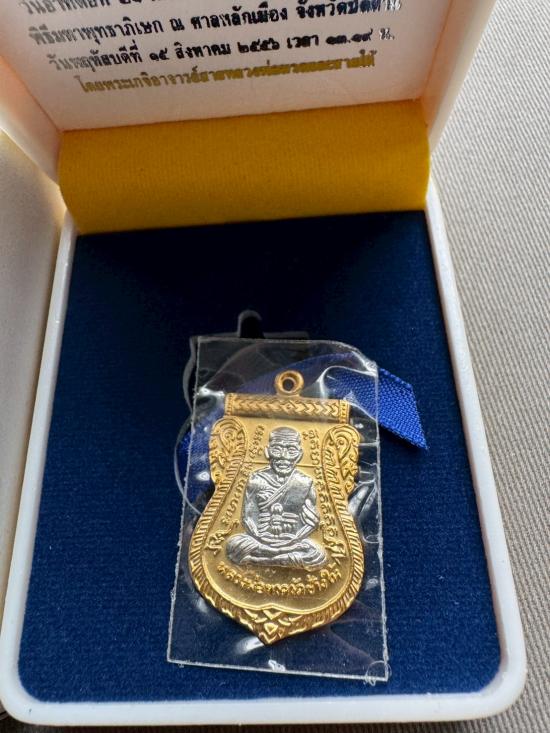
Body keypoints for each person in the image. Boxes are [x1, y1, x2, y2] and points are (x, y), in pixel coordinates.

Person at [226, 426, 327, 569]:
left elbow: (311, 523)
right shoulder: (256, 480)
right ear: (267, 452)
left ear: (299, 454)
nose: (284, 456)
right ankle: (282, 559)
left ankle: (259, 561)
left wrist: (294, 540)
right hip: (260, 541)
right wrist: (261, 539)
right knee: (234, 545)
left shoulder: (304, 482)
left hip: (292, 542)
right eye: (277, 449)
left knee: (318, 553)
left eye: (291, 450)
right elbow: (247, 518)